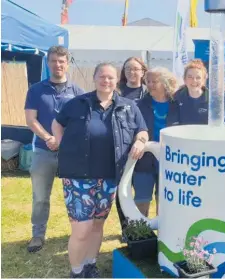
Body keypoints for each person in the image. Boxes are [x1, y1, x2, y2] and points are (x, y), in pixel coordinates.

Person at [51, 62, 149, 278]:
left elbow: (142, 130)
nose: (106, 81)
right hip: (78, 178)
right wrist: (61, 144)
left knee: (97, 226)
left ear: (117, 80)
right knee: (82, 230)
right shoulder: (78, 103)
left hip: (109, 178)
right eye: (102, 77)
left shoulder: (128, 107)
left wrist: (141, 141)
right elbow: (57, 123)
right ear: (94, 79)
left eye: (111, 78)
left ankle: (90, 265)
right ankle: (76, 272)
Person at [24, 46, 85, 253]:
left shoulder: (77, 92)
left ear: (67, 63)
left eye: (61, 61)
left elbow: (81, 122)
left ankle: (79, 234)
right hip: (43, 150)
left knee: (76, 195)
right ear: (47, 63)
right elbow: (31, 120)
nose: (57, 65)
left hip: (69, 153)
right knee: (40, 197)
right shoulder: (36, 90)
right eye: (53, 61)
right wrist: (49, 137)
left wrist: (63, 139)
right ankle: (38, 235)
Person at [135, 67, 180, 217]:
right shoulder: (140, 105)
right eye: (148, 81)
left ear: (166, 83)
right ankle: (140, 235)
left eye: (155, 81)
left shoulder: (178, 104)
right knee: (142, 198)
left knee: (165, 198)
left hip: (170, 160)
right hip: (145, 160)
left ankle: (163, 233)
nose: (151, 84)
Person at [115, 56, 148, 239]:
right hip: (121, 149)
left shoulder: (149, 92)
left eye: (136, 69)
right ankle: (126, 229)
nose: (132, 72)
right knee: (122, 191)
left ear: (143, 71)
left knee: (141, 193)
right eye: (128, 68)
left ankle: (143, 228)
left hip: (144, 149)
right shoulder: (117, 92)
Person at [174, 59, 209, 125]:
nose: (194, 81)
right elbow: (172, 123)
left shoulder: (212, 100)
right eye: (190, 77)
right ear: (184, 79)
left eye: (198, 77)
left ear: (204, 79)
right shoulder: (177, 97)